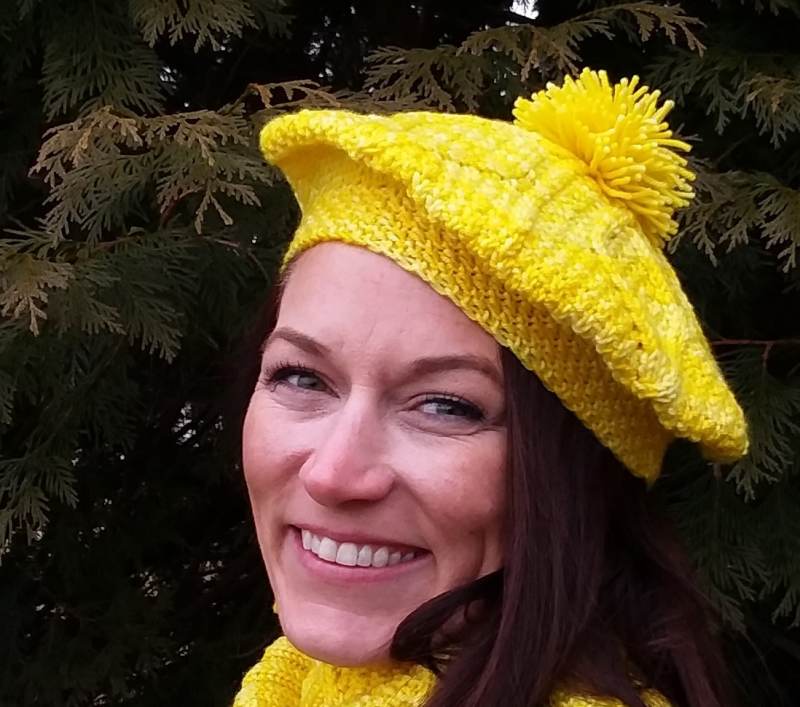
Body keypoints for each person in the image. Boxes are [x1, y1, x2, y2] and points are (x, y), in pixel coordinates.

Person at [232, 68, 749, 707]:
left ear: (575, 473)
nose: (333, 475)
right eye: (301, 376)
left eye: (446, 406)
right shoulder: (298, 685)